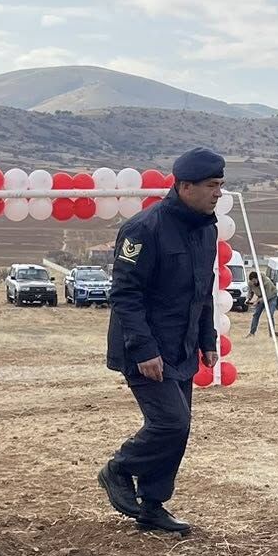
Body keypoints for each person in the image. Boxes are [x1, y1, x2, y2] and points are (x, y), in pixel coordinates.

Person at [98, 146, 223, 535]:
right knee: (171, 422)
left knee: (179, 428)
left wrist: (208, 339)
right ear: (185, 186)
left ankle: (152, 506)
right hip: (145, 349)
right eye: (211, 186)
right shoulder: (143, 229)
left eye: (221, 185)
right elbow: (125, 294)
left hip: (182, 347)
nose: (218, 193)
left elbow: (203, 290)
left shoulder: (207, 228)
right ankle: (118, 468)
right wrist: (145, 350)